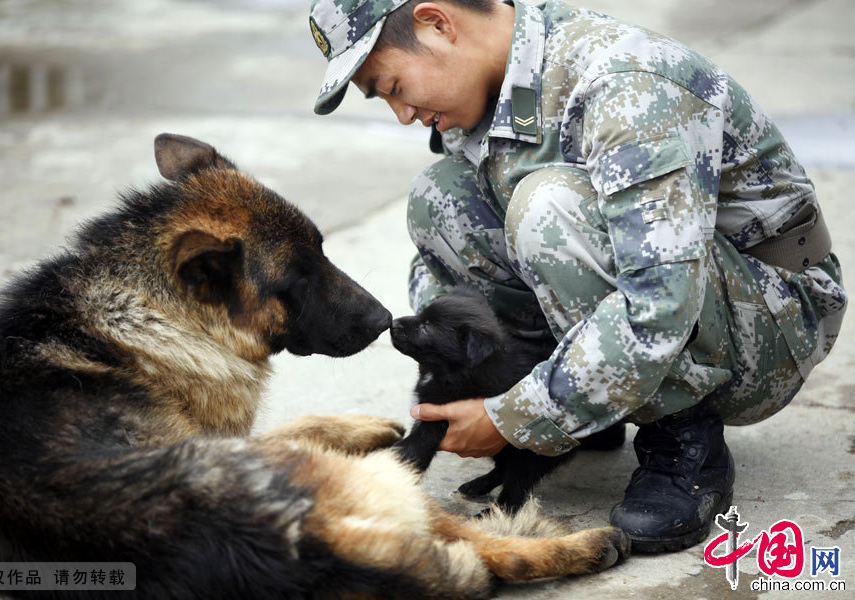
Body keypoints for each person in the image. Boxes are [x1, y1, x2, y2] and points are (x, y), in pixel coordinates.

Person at [306, 0, 847, 553]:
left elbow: (660, 301)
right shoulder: (486, 86)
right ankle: (591, 407)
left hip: (774, 322)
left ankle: (682, 438)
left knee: (550, 209)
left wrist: (519, 417)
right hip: (683, 298)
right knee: (439, 198)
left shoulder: (622, 84)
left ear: (438, 23)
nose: (402, 113)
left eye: (393, 86)